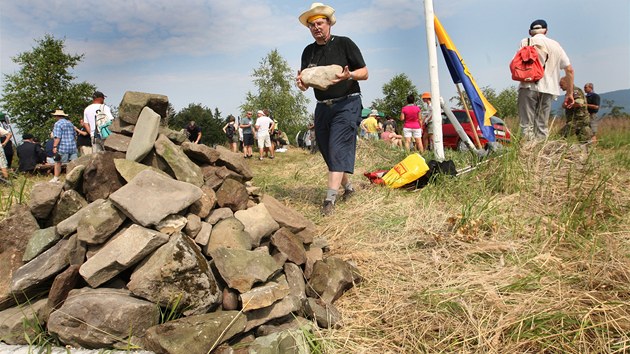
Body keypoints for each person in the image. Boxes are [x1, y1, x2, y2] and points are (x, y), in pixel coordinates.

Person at [296, 2, 368, 216]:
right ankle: (348, 188)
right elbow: (306, 84)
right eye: (312, 25)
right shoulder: (308, 52)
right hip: (322, 107)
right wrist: (301, 84)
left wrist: (350, 75)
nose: (316, 27)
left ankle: (329, 201)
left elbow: (364, 72)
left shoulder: (344, 44)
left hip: (347, 102)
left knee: (337, 147)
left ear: (329, 23)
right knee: (327, 151)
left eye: (320, 23)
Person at [517, 19, 574, 141]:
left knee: (526, 125)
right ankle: (541, 154)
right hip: (549, 89)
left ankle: (528, 154)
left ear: (529, 32)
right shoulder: (556, 45)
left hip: (528, 86)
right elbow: (569, 70)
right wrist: (569, 93)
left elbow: (516, 63)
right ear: (546, 31)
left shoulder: (525, 42)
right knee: (542, 125)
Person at [559, 77, 593, 143]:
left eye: (561, 85)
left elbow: (579, 103)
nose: (560, 87)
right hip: (577, 121)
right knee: (584, 143)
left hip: (577, 121)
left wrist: (566, 105)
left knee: (559, 137)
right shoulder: (570, 92)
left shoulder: (575, 91)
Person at [50, 109, 78, 182]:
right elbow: (75, 135)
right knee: (73, 163)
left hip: (63, 146)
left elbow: (57, 136)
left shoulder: (58, 124)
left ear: (56, 116)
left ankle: (56, 178)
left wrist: (55, 146)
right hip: (72, 146)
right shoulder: (70, 123)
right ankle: (74, 178)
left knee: (58, 162)